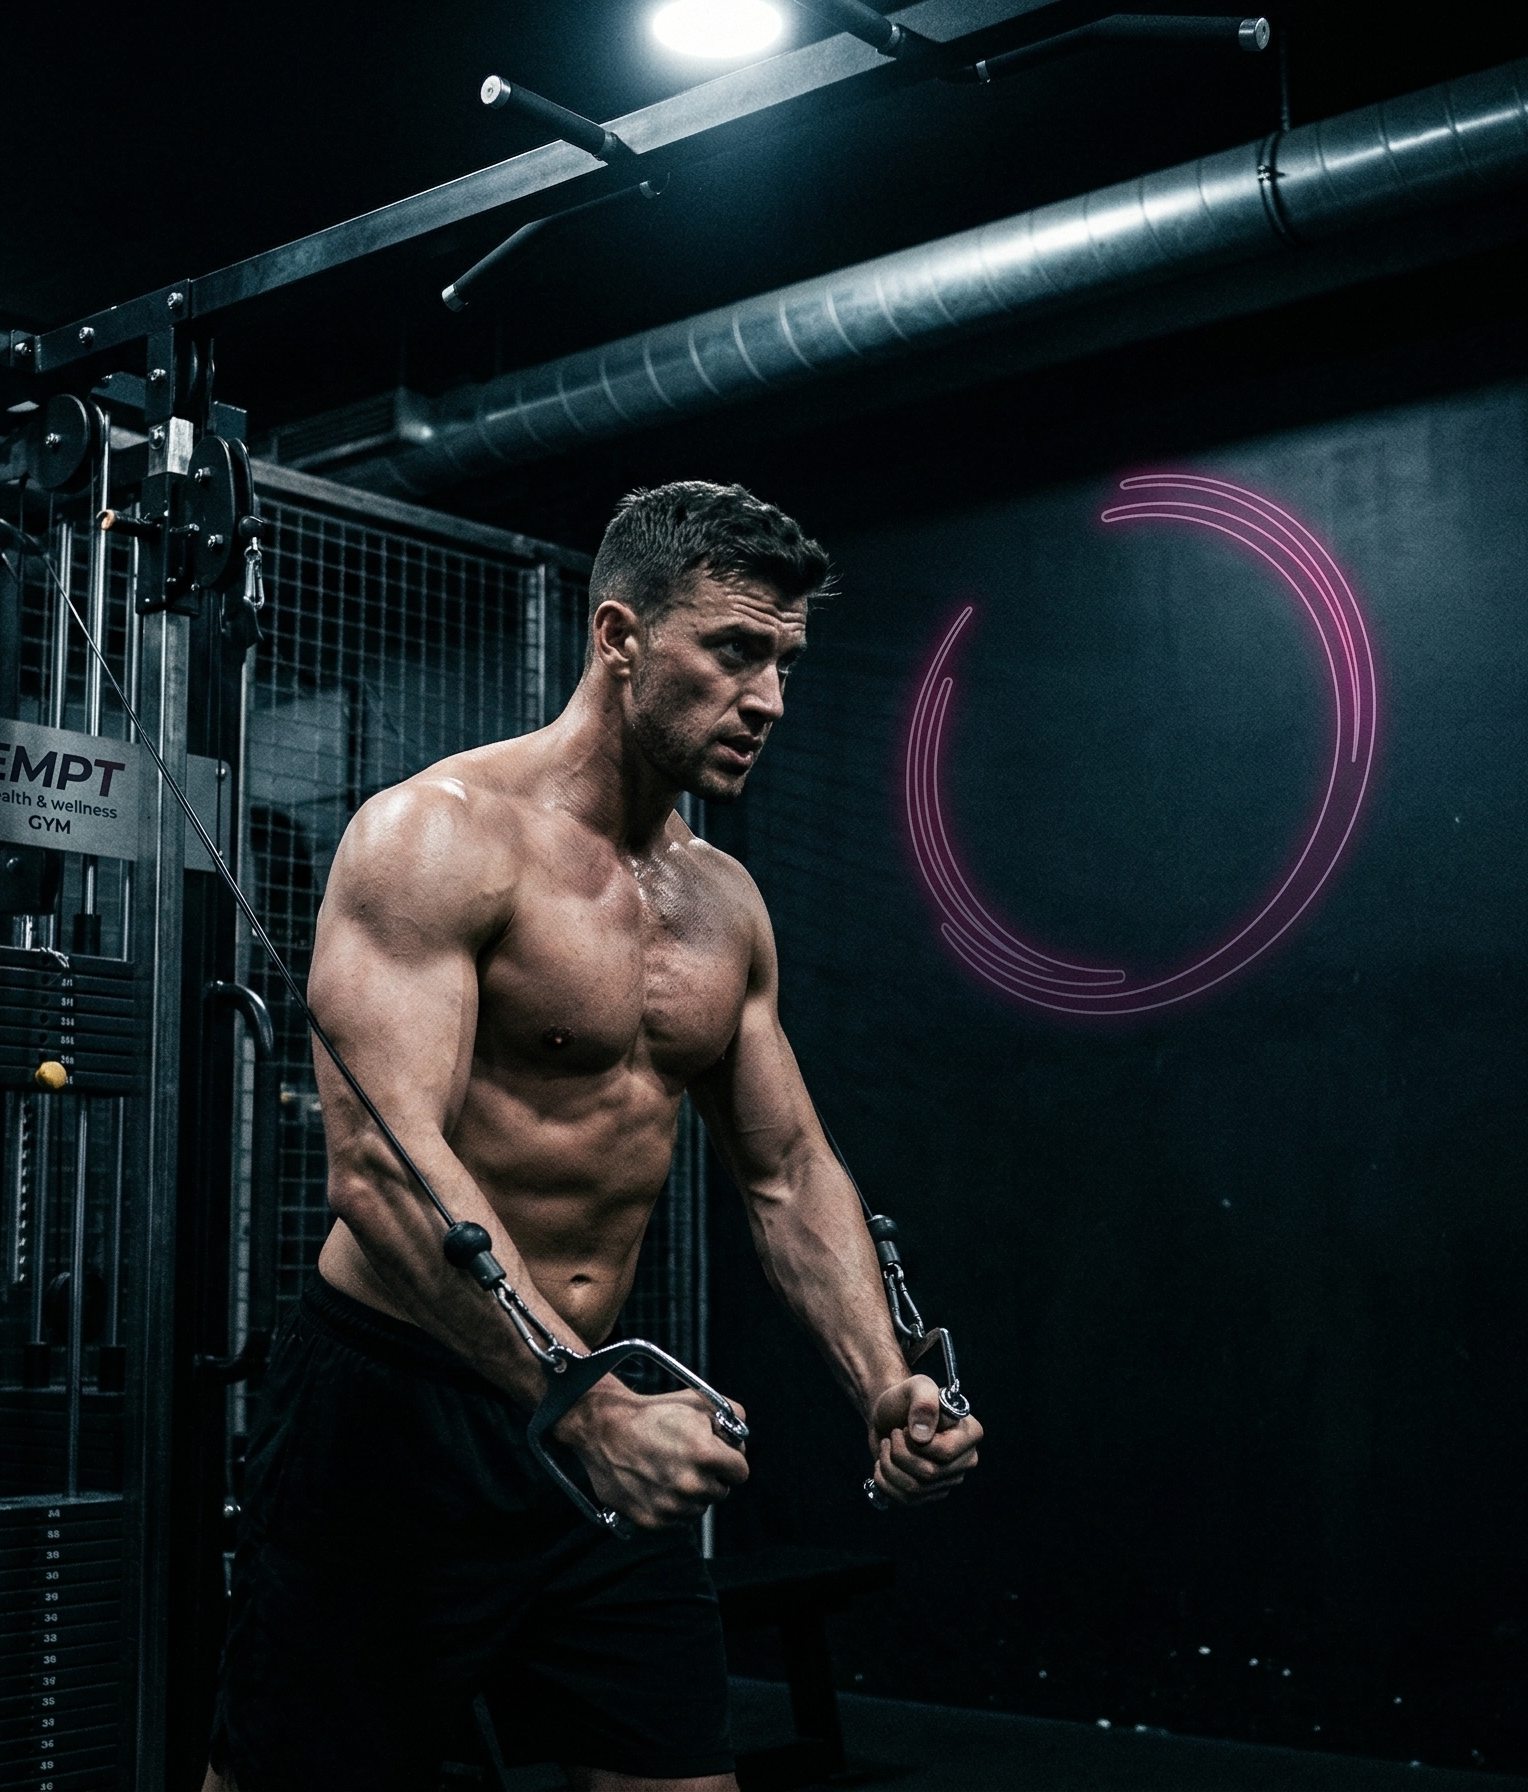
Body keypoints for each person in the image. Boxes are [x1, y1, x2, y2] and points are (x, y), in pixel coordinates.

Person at [208, 481, 985, 1792]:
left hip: (602, 1413)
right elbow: (381, 1168)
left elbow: (788, 1175)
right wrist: (574, 1402)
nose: (770, 700)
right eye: (734, 651)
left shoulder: (721, 900)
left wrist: (882, 1381)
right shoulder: (438, 841)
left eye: (787, 662)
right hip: (399, 1419)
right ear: (620, 637)